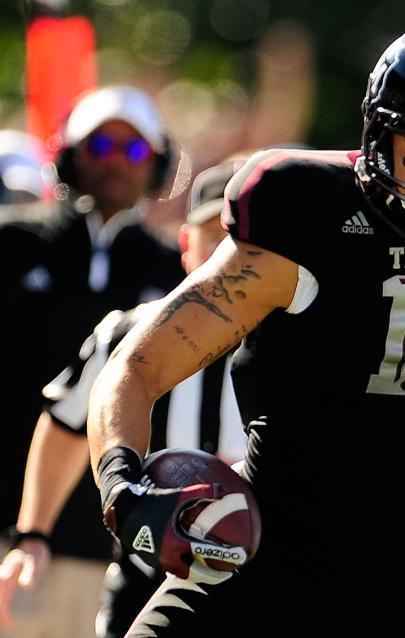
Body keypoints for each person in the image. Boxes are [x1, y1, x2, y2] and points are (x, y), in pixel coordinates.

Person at [86, 22, 405, 637]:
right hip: (253, 568)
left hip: (394, 596)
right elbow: (134, 367)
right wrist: (121, 486)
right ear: (379, 138)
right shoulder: (307, 220)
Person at [0, 159, 247, 638]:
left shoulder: (313, 342)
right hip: (150, 579)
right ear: (185, 247)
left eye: (242, 239)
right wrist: (32, 536)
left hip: (274, 582)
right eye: (213, 236)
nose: (228, 255)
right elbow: (67, 423)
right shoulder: (128, 334)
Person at [0, 85, 185, 638]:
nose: (114, 162)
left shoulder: (173, 272)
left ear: (157, 166)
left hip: (106, 544)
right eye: (100, 144)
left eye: (133, 152)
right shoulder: (12, 245)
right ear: (70, 154)